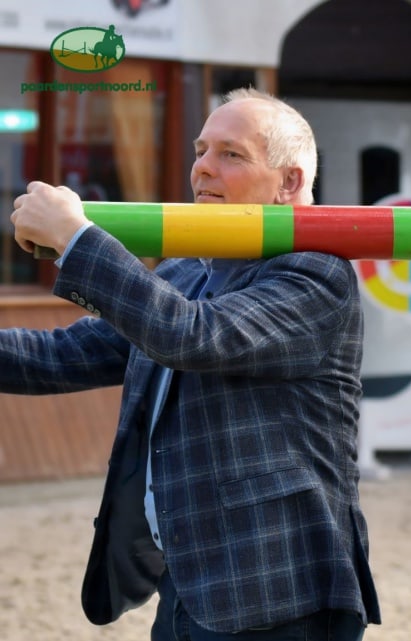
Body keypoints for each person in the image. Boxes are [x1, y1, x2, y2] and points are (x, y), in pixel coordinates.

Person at [6, 88, 381, 640]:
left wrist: (76, 238)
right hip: (190, 583)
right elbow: (62, 355)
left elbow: (190, 336)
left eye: (231, 154)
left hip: (279, 592)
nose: (202, 168)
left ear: (290, 183)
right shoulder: (188, 271)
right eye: (201, 150)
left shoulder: (315, 274)